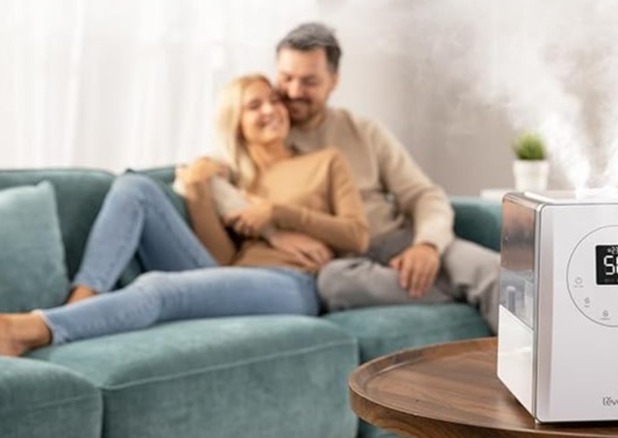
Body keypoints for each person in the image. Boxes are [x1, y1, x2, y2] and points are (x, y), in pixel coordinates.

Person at [0, 73, 368, 357]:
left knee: (157, 287)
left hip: (293, 285)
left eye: (273, 100)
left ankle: (30, 329)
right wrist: (199, 190)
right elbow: (223, 261)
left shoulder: (325, 162)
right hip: (234, 277)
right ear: (235, 122)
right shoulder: (232, 180)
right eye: (253, 106)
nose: (270, 110)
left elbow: (357, 235)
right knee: (135, 188)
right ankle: (80, 301)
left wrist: (277, 213)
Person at [273, 22, 500, 333]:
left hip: (401, 242)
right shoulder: (262, 136)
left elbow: (423, 194)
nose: (294, 92)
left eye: (310, 81)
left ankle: (538, 379)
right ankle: (461, 292)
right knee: (333, 283)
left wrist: (427, 246)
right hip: (347, 264)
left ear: (333, 81)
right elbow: (232, 196)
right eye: (286, 78)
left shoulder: (363, 131)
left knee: (499, 274)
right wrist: (274, 234)